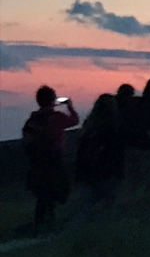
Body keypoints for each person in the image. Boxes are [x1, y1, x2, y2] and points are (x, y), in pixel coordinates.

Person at [22, 87, 79, 228]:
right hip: (54, 158)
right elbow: (75, 121)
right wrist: (69, 106)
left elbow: (27, 141)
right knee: (56, 188)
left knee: (42, 192)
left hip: (37, 160)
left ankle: (41, 221)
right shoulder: (58, 117)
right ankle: (48, 221)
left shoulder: (32, 120)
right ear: (53, 100)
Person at [75, 93, 125, 209]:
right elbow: (116, 152)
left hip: (88, 172)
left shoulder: (89, 127)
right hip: (108, 172)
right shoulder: (114, 127)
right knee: (108, 205)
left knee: (85, 207)